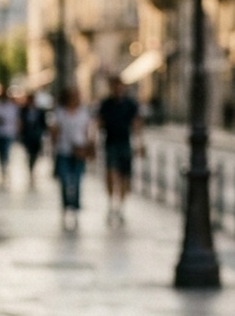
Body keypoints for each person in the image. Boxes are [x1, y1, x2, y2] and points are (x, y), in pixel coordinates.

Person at [96, 75, 142, 225]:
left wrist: (139, 143)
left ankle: (120, 207)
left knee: (124, 177)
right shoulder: (106, 104)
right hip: (110, 143)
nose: (117, 89)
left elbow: (136, 123)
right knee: (110, 174)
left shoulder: (129, 104)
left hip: (124, 143)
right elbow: (99, 122)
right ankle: (111, 203)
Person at [49, 87, 93, 231]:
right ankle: (66, 206)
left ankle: (74, 209)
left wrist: (89, 148)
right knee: (65, 181)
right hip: (64, 152)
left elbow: (88, 132)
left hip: (79, 152)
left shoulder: (83, 113)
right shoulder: (60, 113)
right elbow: (54, 132)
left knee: (77, 181)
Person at [18, 91, 49, 186]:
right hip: (27, 135)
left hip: (37, 135)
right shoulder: (23, 110)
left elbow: (44, 124)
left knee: (35, 153)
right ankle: (30, 168)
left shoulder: (40, 111)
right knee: (29, 153)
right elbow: (20, 122)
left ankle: (32, 167)